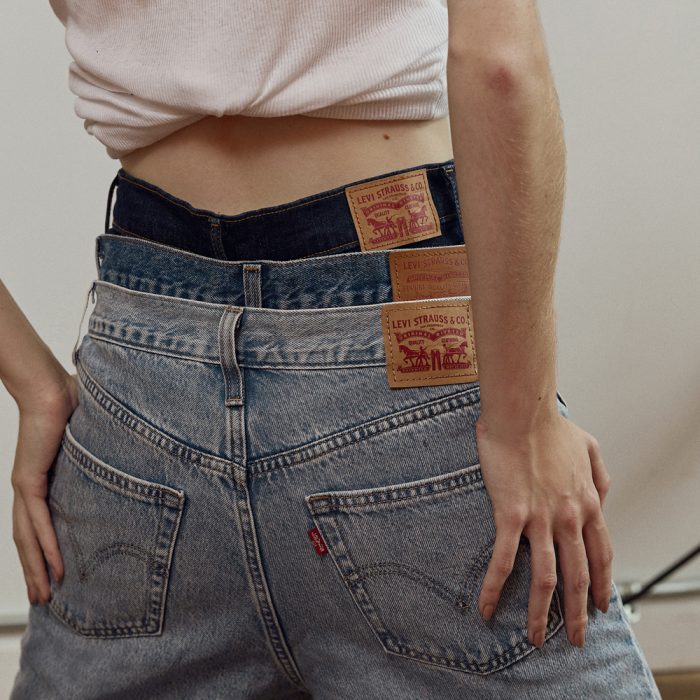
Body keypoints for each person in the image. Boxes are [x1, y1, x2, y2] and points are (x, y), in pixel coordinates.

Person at [3, 1, 661, 697]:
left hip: (142, 371)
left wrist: (35, 389)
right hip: (391, 349)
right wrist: (522, 421)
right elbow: (499, 64)